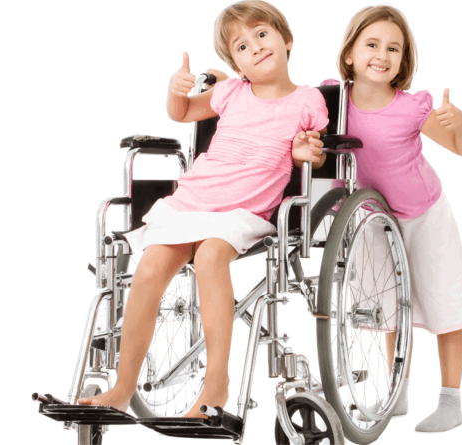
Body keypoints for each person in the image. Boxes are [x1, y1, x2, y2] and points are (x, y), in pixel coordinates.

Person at [78, 0, 328, 419]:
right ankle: (123, 386)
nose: (256, 47)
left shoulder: (307, 100)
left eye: (262, 34)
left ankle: (217, 383)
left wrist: (306, 151)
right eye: (242, 46)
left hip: (245, 207)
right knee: (151, 266)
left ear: (286, 39)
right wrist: (176, 92)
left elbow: (313, 155)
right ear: (237, 64)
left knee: (212, 254)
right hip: (195, 196)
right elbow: (183, 114)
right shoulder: (231, 92)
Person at [317, 5, 462, 432]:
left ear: (403, 60)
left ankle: (451, 400)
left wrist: (460, 122)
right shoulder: (332, 100)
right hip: (371, 217)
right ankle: (399, 389)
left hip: (423, 214)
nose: (382, 54)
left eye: (394, 48)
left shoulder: (412, 108)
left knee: (445, 305)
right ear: (350, 53)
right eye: (371, 44)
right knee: (389, 308)